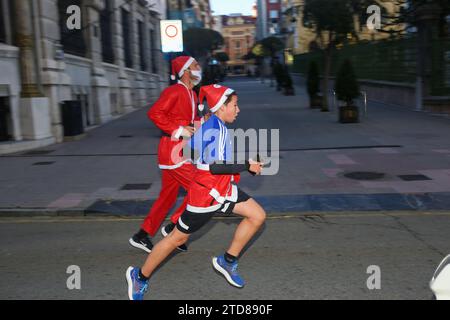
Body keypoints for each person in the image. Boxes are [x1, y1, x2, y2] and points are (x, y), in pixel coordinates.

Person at [126, 84, 267, 300]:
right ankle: (139, 276)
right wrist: (246, 165)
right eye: (235, 106)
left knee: (257, 216)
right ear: (221, 107)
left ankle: (227, 261)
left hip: (223, 189)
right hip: (205, 197)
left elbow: (197, 149)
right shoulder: (214, 128)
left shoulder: (215, 124)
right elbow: (213, 166)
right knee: (177, 239)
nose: (238, 110)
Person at [129, 56, 205, 253]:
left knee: (167, 198)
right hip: (173, 151)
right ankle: (174, 226)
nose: (200, 68)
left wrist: (202, 123)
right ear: (186, 71)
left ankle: (142, 235)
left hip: (179, 150)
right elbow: (155, 113)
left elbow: (191, 120)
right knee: (201, 188)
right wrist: (179, 130)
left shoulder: (192, 93)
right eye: (196, 65)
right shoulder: (174, 91)